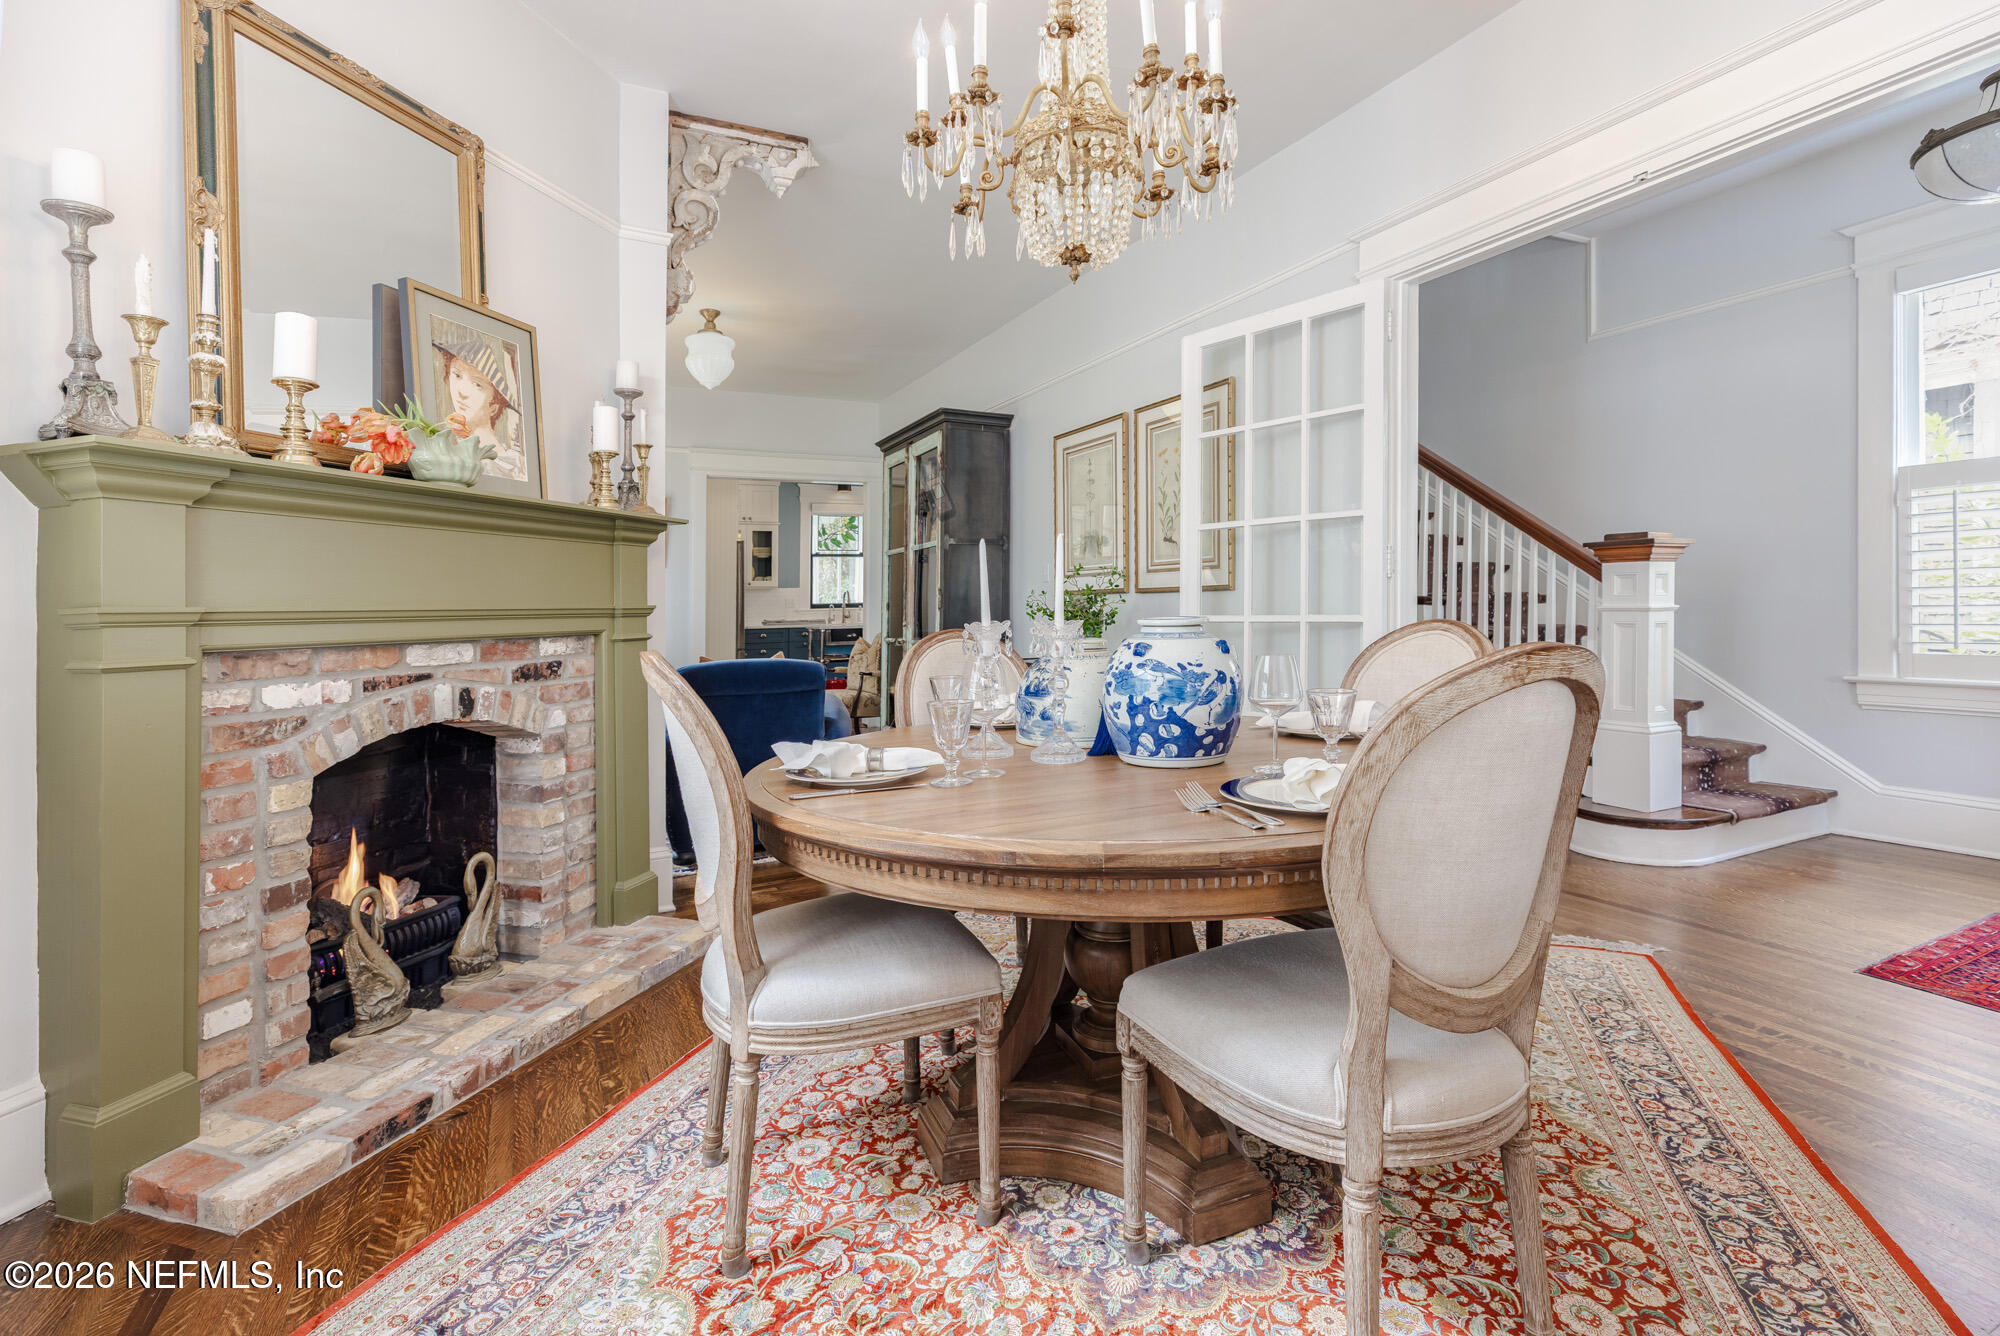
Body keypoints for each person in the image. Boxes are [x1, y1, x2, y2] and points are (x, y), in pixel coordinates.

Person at [431, 332, 525, 480]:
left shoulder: (513, 467)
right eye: (457, 375)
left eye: (477, 384)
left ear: (494, 405)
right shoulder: (449, 452)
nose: (462, 392)